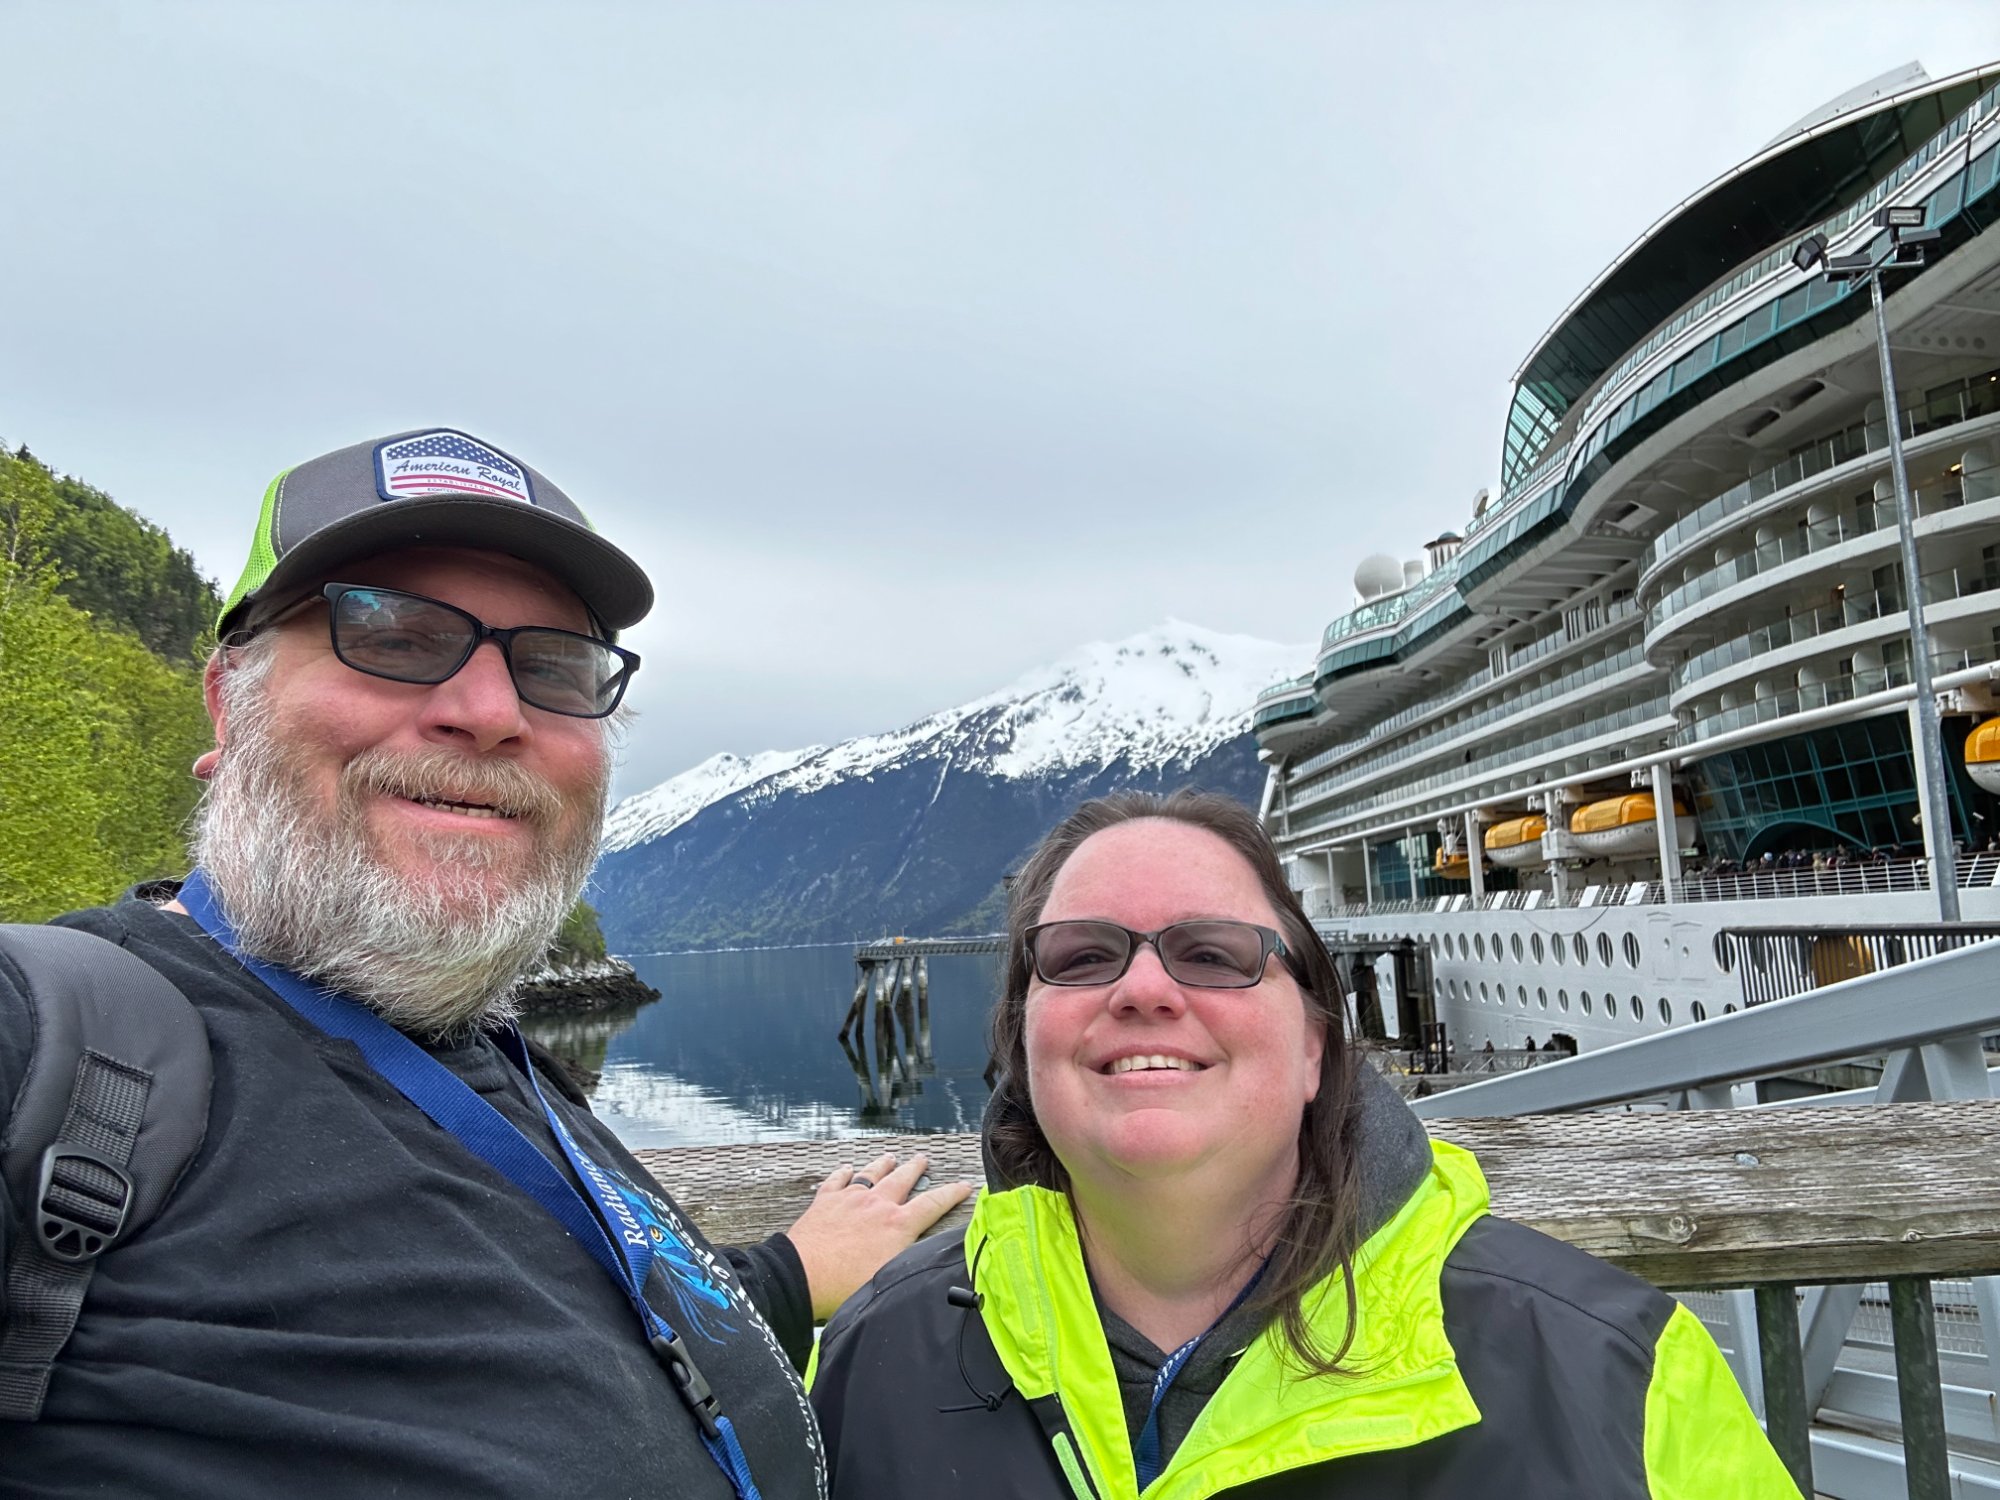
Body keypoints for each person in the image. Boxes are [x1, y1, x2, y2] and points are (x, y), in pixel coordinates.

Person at [0, 428, 968, 1497]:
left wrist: (780, 1277)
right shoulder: (52, 1044)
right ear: (230, 704)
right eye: (394, 634)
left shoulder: (494, 1059)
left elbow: (559, 1302)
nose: (490, 712)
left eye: (551, 667)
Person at [810, 790, 1796, 1498]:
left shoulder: (1611, 1374)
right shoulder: (864, 1366)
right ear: (1020, 1046)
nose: (1144, 990)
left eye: (1213, 954)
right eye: (1081, 956)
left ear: (1317, 1046)